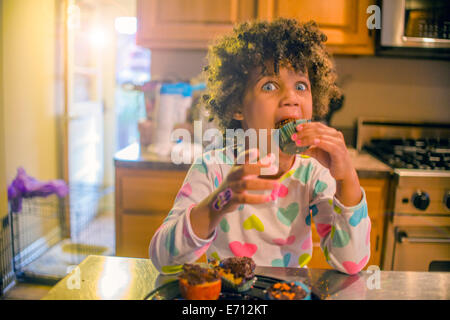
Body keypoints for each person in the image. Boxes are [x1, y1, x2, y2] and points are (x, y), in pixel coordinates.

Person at [149, 18, 371, 275]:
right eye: (269, 85)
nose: (291, 98)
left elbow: (351, 263)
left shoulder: (315, 174)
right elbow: (163, 260)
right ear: (237, 106)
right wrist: (218, 202)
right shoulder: (213, 168)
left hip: (286, 292)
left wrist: (348, 179)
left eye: (301, 86)